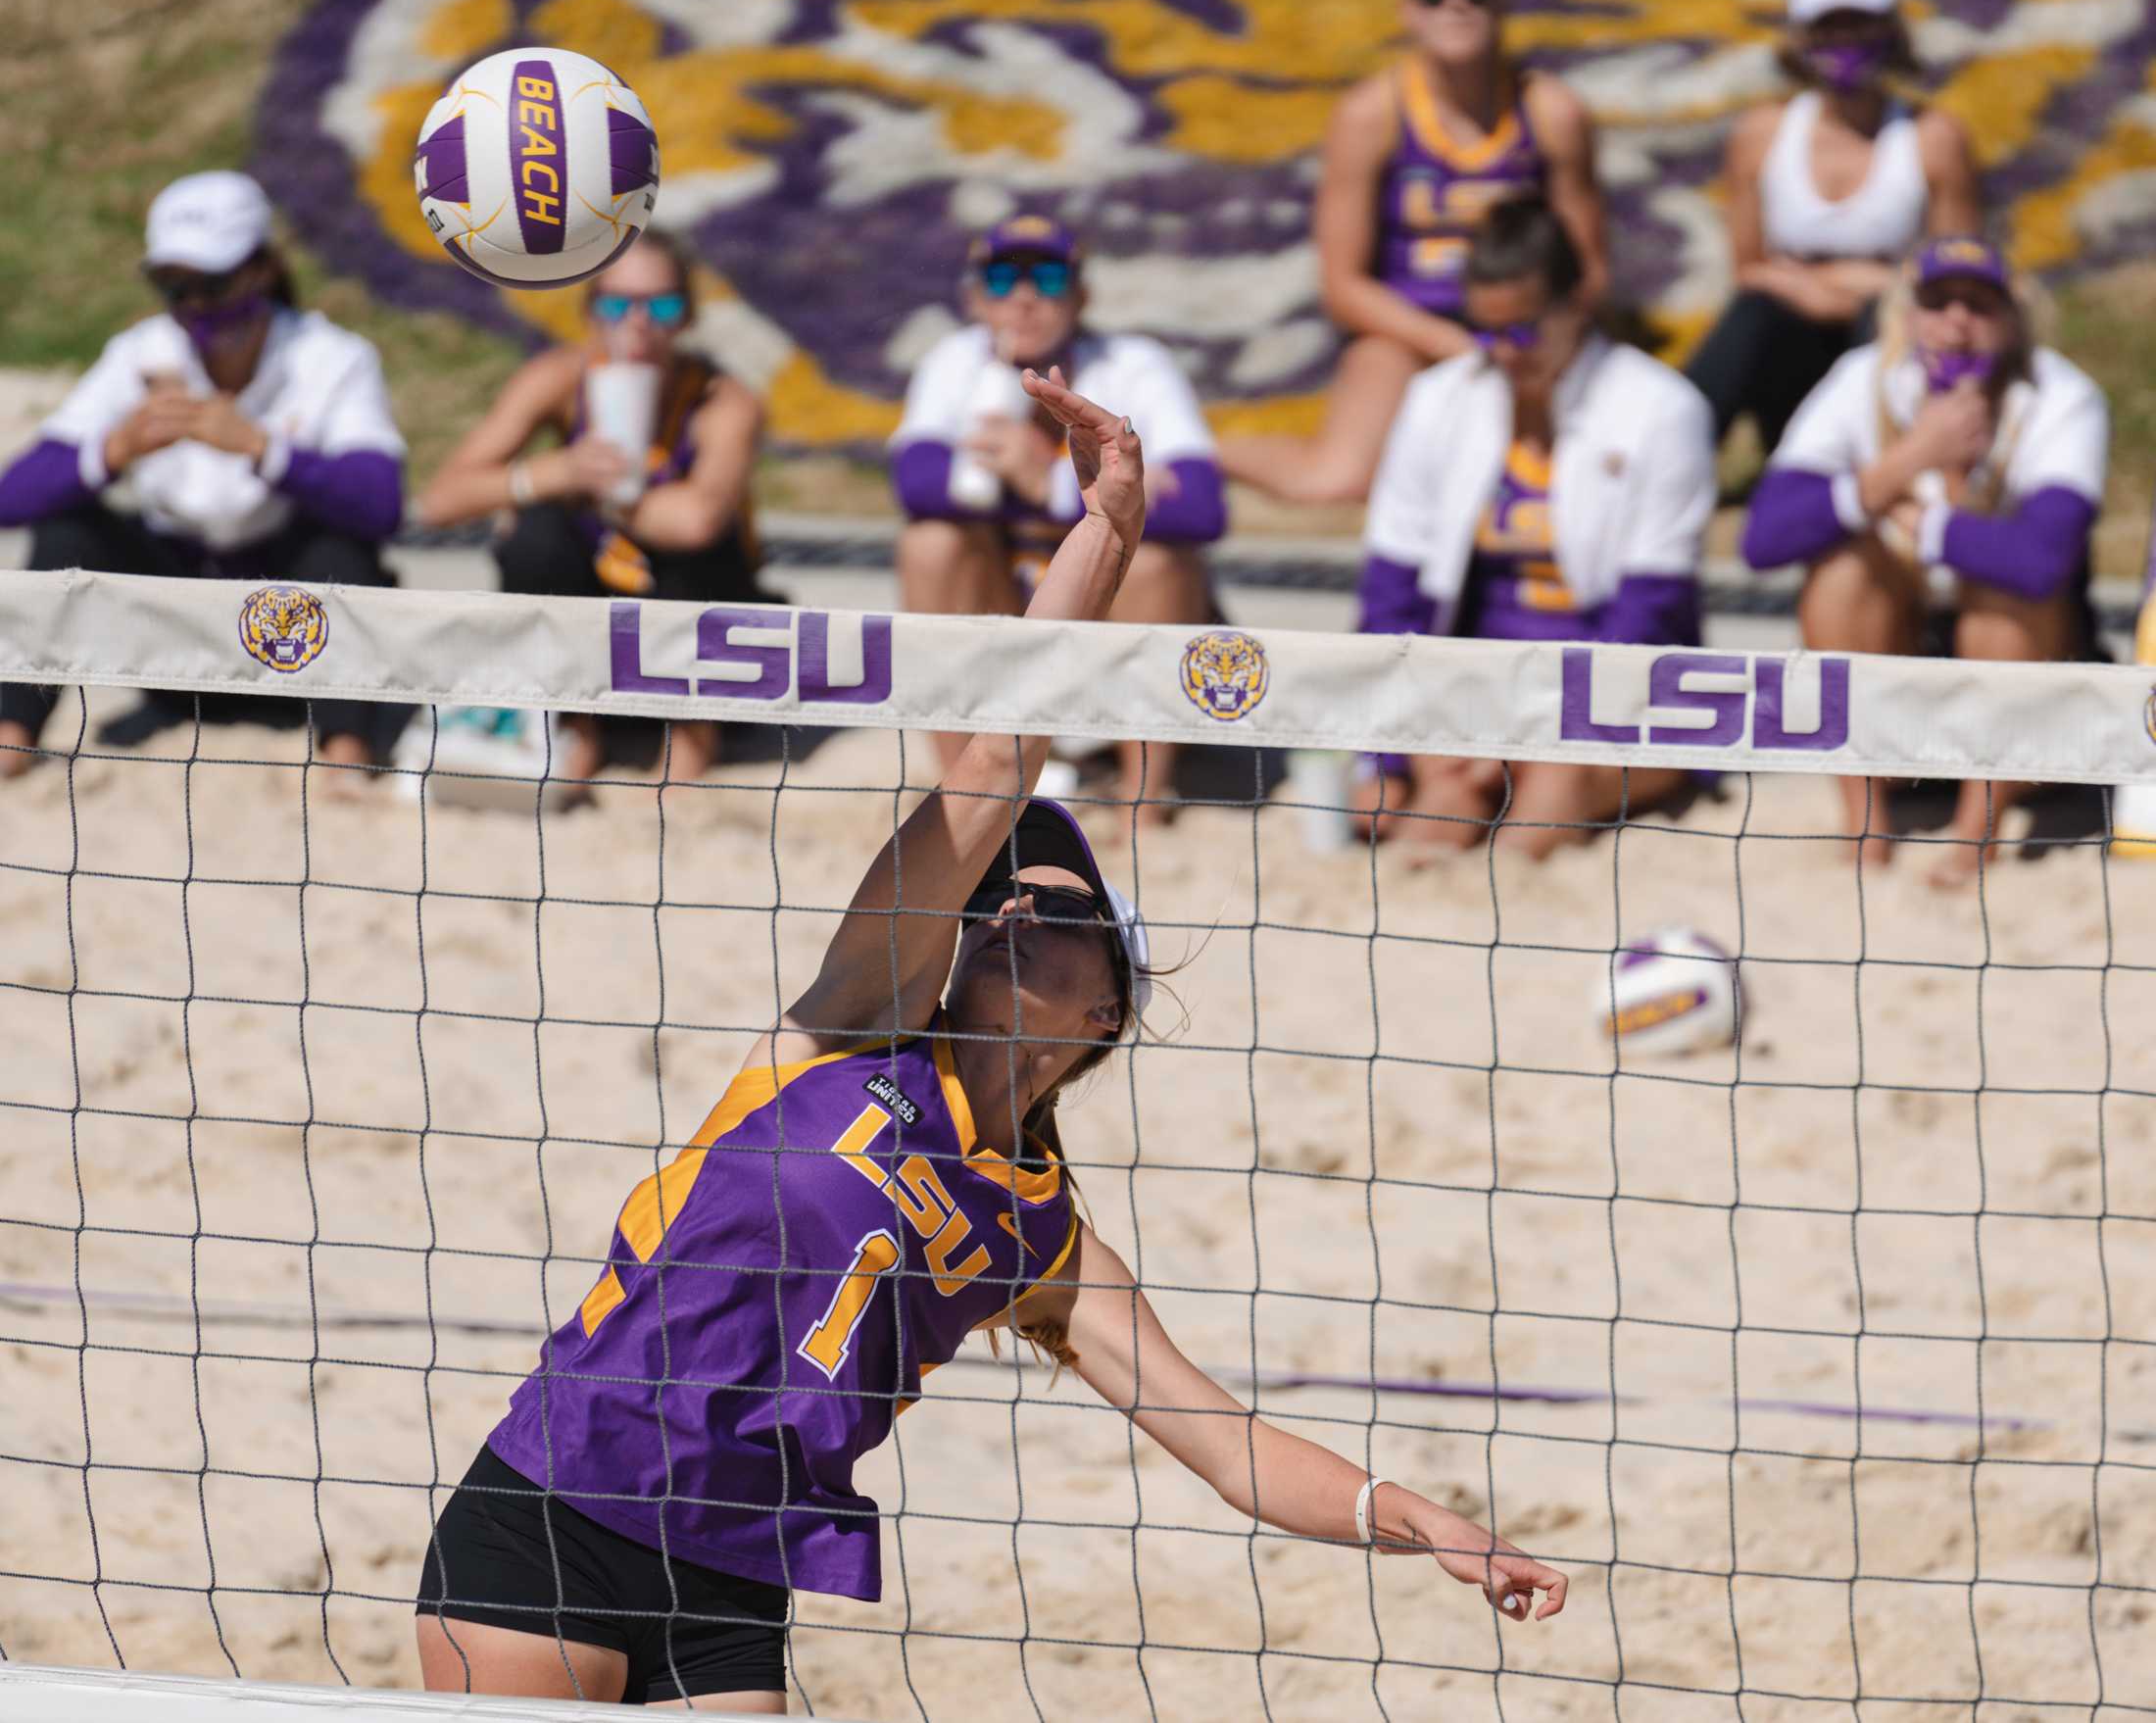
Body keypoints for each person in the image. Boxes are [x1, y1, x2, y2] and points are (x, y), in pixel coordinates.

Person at [416, 371, 1568, 1710]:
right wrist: (1108, 538)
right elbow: (992, 764)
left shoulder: (1035, 1231)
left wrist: (1422, 1517)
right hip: (563, 1498)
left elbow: (1229, 1445)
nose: (1016, 900)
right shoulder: (846, 1033)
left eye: (1060, 904)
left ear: (1103, 1013)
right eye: (1000, 895)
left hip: (734, 1568)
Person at [0, 171, 406, 778]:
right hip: (172, 620)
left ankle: (346, 753)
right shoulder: (141, 352)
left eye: (210, 283)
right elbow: (12, 497)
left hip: (285, 627)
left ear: (263, 269)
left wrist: (262, 450)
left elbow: (382, 504)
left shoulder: (332, 357)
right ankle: (11, 737)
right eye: (171, 284)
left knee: (343, 549)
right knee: (67, 535)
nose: (191, 304)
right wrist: (112, 450)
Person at [1354, 197, 1716, 858]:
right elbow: (1391, 595)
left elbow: (1646, 621)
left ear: (1577, 303)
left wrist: (1523, 735)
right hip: (1470, 693)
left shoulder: (1662, 410)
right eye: (1485, 332)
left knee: (1549, 791)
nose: (1503, 355)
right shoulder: (1442, 399)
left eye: (1522, 332)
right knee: (1434, 816)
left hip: (1617, 706)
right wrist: (1395, 753)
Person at [1742, 235, 2109, 884]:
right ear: (1908, 315)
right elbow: (1764, 537)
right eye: (1939, 303)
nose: (1958, 322)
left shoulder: (2059, 396)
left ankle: (1977, 833)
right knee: (1841, 574)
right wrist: (1907, 463)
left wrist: (1928, 522)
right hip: (1905, 660)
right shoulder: (1865, 379)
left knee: (2001, 592)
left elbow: (2043, 561)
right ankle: (1866, 824)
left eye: (1979, 304)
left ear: (2012, 319)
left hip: (2030, 678)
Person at [1217, 0, 1605, 508]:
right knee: (1338, 480)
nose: (1456, 6)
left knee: (1566, 481)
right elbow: (1343, 286)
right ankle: (1189, 449)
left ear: (1500, 1)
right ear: (1408, 10)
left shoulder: (1552, 112)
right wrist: (1453, 347)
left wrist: (1530, 345)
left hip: (1524, 334)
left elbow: (1587, 270)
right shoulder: (1372, 114)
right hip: (1405, 333)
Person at [890, 215, 1224, 817]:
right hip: (1005, 609)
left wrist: (1045, 479)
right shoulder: (954, 362)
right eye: (1002, 278)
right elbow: (914, 486)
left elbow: (1203, 506)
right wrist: (1111, 489)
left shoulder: (1134, 363)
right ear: (974, 297)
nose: (1023, 296)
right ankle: (958, 790)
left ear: (1081, 295)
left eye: (1045, 277)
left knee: (1157, 562)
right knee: (929, 545)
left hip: (1106, 620)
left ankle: (1145, 798)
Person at [418, 231, 764, 784]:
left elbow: (699, 520)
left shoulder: (721, 399)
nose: (638, 322)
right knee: (537, 534)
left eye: (662, 305)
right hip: (602, 592)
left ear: (687, 316)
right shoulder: (560, 377)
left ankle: (692, 736)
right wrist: (551, 474)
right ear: (591, 311)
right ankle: (576, 723)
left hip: (691, 597)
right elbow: (440, 500)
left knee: (693, 552)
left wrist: (600, 491)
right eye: (617, 304)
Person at [1684, 0, 1980, 456]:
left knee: (1883, 318)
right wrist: (1854, 284)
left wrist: (1867, 292)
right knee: (1755, 314)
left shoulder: (1933, 138)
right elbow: (1749, 268)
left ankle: (1892, 456)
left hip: (1892, 347)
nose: (1845, 41)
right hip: (1793, 348)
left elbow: (1960, 276)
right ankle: (1673, 451)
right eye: (1828, 26)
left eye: (1859, 21)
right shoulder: (1761, 133)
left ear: (1889, 25)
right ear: (1799, 34)